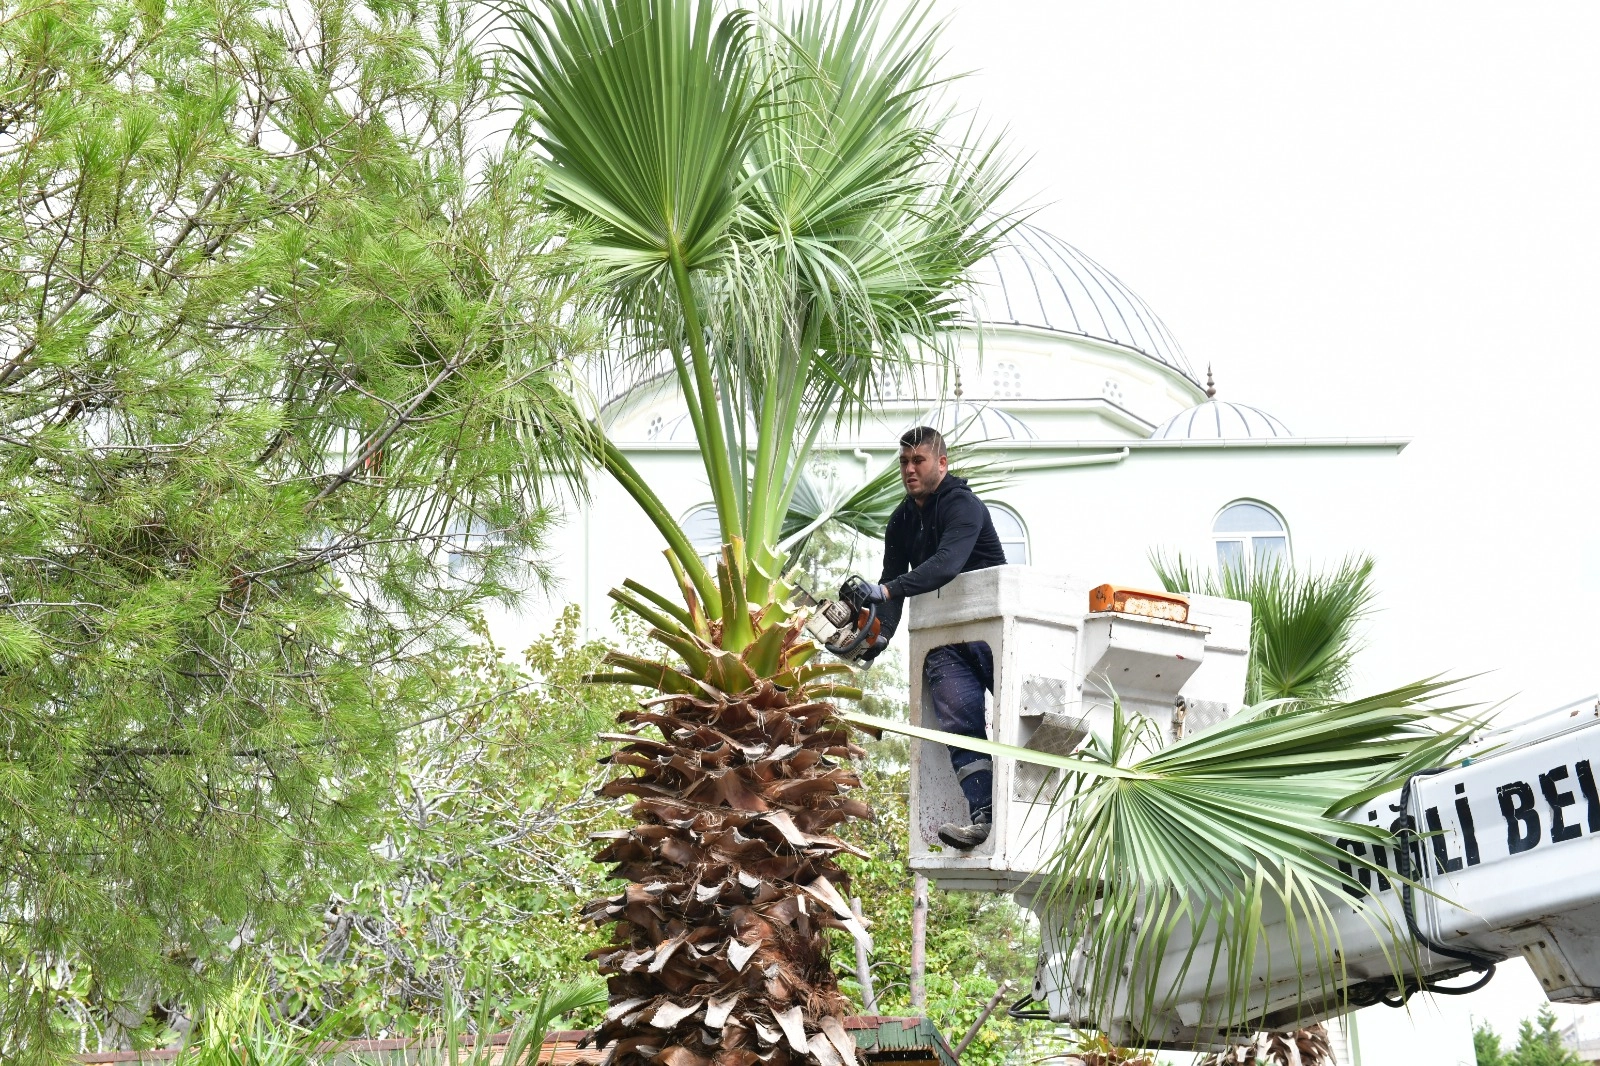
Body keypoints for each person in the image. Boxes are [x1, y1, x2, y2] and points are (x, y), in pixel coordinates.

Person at [850, 425, 1008, 849]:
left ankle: (1046, 814)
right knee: (960, 727)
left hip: (992, 630)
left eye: (918, 460)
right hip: (944, 638)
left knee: (1018, 718)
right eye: (903, 462)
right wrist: (875, 635)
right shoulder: (901, 520)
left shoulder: (963, 506)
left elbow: (945, 564)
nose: (909, 469)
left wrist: (885, 592)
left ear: (942, 462)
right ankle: (983, 817)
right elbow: (891, 584)